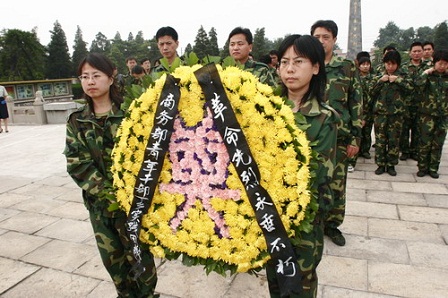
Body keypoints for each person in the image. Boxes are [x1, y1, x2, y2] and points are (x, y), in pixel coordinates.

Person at [63, 53, 158, 298]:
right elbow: (77, 164)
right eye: (84, 76)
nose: (90, 81)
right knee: (114, 264)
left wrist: (129, 195)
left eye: (96, 75)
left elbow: (146, 155)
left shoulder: (131, 114)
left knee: (142, 264)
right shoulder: (77, 121)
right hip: (101, 208)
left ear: (110, 78)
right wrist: (109, 194)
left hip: (133, 206)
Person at [266, 34, 338, 298]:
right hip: (268, 215)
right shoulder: (265, 108)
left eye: (299, 61)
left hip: (303, 218)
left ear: (316, 67)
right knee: (275, 279)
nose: (289, 69)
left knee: (300, 284)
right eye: (284, 62)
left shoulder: (324, 118)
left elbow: (317, 173)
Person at [311, 20, 363, 246]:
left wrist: (356, 137)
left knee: (337, 185)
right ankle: (314, 224)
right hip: (313, 137)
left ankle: (333, 226)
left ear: (334, 40)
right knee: (313, 182)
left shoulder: (346, 67)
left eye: (326, 37)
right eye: (317, 37)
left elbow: (356, 103)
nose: (321, 41)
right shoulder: (308, 66)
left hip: (340, 138)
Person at [371, 50, 413, 176]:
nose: (390, 67)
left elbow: (411, 89)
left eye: (393, 64)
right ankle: (380, 164)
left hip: (396, 114)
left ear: (398, 64)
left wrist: (398, 80)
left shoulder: (403, 75)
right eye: (387, 64)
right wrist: (380, 81)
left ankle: (391, 165)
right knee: (380, 141)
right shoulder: (379, 74)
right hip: (380, 114)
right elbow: (370, 91)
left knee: (394, 141)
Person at [415, 49, 448, 178]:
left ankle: (433, 168)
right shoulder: (428, 75)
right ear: (434, 63)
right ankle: (422, 167)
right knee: (424, 142)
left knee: (438, 143)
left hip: (443, 116)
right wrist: (425, 73)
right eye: (440, 63)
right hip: (427, 115)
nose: (442, 66)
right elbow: (416, 84)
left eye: (445, 63)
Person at [399, 42, 426, 162]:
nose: (416, 53)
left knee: (417, 128)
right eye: (414, 51)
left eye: (419, 51)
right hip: (406, 103)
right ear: (410, 53)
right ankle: (405, 151)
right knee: (404, 128)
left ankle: (414, 151)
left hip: (421, 103)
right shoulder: (403, 68)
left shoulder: (427, 67)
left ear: (423, 52)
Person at [357, 56, 375, 160]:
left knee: (367, 131)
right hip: (359, 108)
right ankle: (357, 150)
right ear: (359, 66)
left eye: (367, 64)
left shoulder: (373, 78)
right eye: (363, 64)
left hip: (370, 108)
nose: (365, 66)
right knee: (359, 131)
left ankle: (365, 150)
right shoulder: (356, 78)